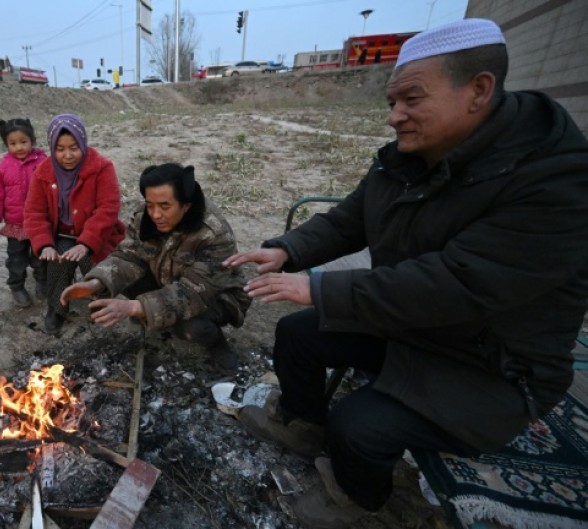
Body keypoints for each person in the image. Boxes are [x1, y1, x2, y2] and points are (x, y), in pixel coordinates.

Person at [223, 19, 588, 528]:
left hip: (492, 363)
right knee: (296, 334)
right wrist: (288, 250)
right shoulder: (411, 155)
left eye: (412, 100)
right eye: (392, 102)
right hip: (417, 325)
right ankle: (302, 425)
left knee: (358, 425)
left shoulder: (554, 181)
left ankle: (359, 503)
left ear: (479, 90)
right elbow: (353, 218)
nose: (395, 117)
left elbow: (458, 282)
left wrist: (320, 287)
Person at [61, 163, 252, 373]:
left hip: (214, 296)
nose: (155, 214)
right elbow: (128, 255)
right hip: (167, 278)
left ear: (185, 205)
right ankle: (155, 315)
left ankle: (219, 346)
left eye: (164, 206)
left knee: (189, 327)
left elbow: (192, 294)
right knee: (121, 277)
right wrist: (94, 283)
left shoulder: (213, 233)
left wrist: (134, 307)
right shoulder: (146, 217)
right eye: (150, 204)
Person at [23, 113, 125, 334]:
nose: (67, 155)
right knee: (59, 261)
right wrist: (45, 244)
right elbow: (34, 212)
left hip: (96, 235)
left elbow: (108, 209)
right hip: (60, 235)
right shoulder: (42, 173)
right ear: (52, 148)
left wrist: (86, 243)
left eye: (74, 147)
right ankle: (57, 307)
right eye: (60, 149)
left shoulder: (102, 167)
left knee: (94, 264)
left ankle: (101, 305)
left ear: (83, 143)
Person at [0, 118, 48, 308]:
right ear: (6, 144)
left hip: (39, 223)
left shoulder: (43, 162)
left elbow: (53, 189)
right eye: (13, 143)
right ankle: (17, 286)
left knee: (41, 256)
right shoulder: (4, 167)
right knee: (16, 259)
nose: (19, 147)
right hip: (15, 224)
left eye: (23, 142)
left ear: (32, 140)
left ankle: (42, 282)